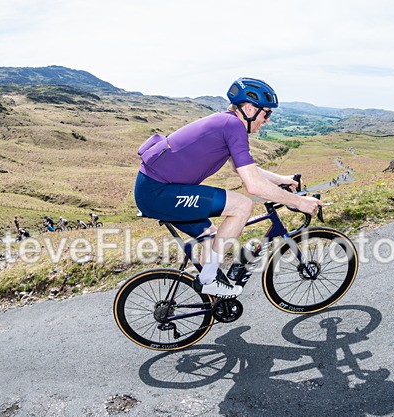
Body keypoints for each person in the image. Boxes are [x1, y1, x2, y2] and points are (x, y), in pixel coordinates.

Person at [134, 77, 322, 297]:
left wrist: (281, 179)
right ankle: (208, 280)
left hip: (157, 189)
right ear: (249, 109)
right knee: (242, 206)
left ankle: (212, 300)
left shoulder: (226, 122)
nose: (268, 120)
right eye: (266, 113)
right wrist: (300, 202)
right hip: (158, 192)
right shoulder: (233, 126)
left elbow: (242, 169)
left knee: (213, 240)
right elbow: (253, 185)